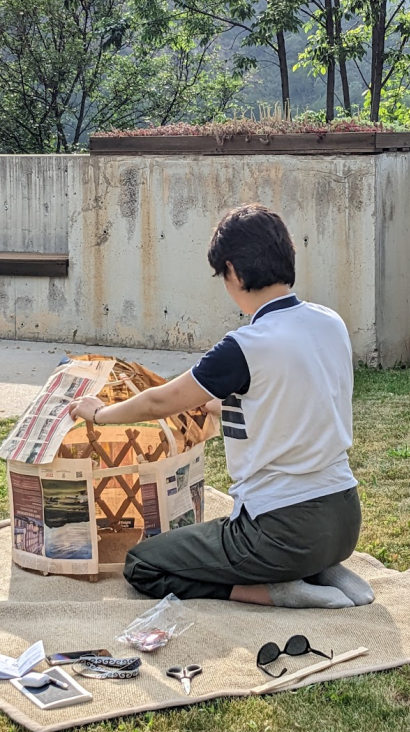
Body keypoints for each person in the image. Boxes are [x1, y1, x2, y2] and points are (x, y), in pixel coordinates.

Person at [68, 203, 374, 609]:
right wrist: (222, 405)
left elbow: (160, 401)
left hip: (280, 530)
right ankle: (323, 566)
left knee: (143, 564)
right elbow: (292, 399)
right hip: (344, 517)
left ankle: (276, 589)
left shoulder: (245, 346)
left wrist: (99, 413)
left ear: (233, 271)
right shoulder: (329, 322)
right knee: (280, 541)